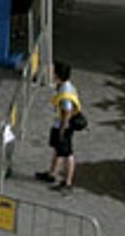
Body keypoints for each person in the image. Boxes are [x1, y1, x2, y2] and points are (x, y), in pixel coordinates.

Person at [37, 61, 83, 194]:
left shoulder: (65, 91)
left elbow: (67, 111)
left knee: (67, 153)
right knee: (58, 150)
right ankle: (51, 174)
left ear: (58, 74)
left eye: (53, 71)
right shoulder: (65, 85)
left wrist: (63, 128)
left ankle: (67, 183)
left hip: (64, 126)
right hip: (60, 124)